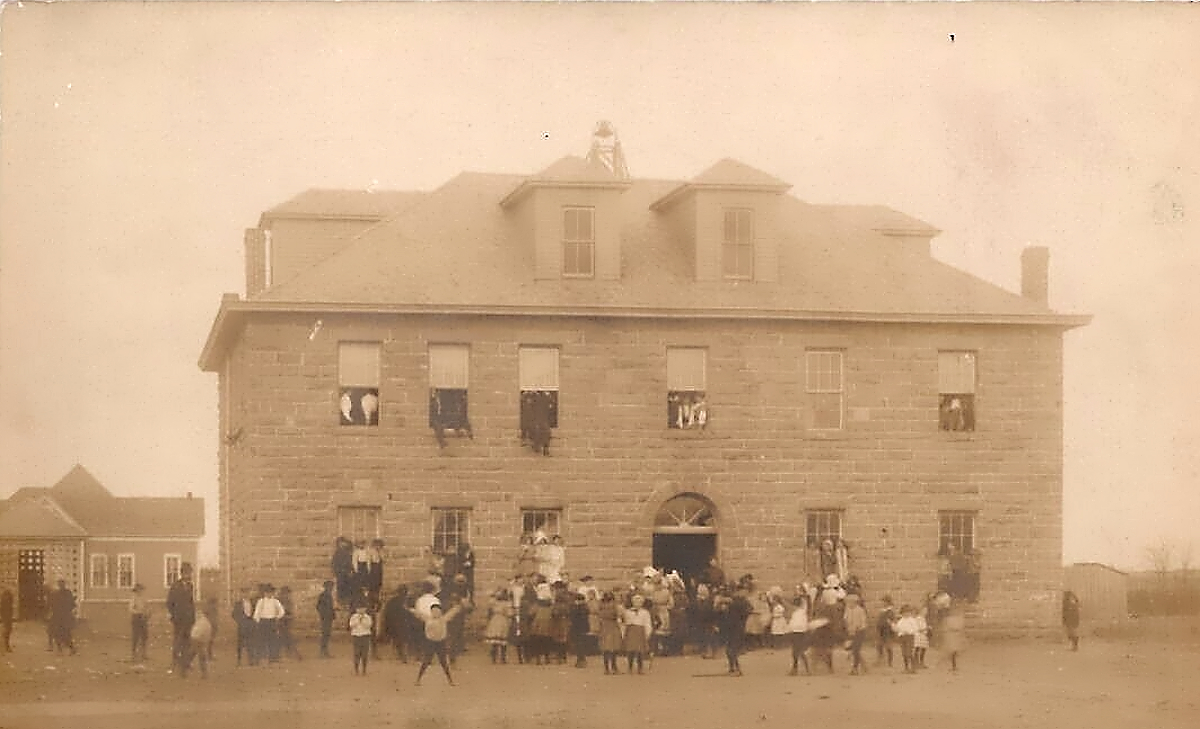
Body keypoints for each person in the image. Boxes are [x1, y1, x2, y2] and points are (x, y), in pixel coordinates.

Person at [410, 598, 467, 686]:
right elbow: (417, 613)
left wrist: (460, 605)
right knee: (426, 661)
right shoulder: (427, 619)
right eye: (433, 611)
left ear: (441, 612)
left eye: (437, 611)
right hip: (430, 643)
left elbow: (453, 611)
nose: (436, 613)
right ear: (431, 612)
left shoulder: (444, 619)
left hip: (440, 643)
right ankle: (418, 680)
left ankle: (450, 680)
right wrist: (409, 609)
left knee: (444, 662)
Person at [166, 563, 196, 672]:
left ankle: (185, 662)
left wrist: (193, 617)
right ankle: (175, 662)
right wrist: (174, 615)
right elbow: (169, 603)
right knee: (178, 641)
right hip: (178, 619)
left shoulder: (190, 586)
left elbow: (191, 602)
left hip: (189, 619)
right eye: (187, 573)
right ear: (182, 573)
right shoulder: (175, 586)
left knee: (187, 642)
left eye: (190, 573)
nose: (189, 575)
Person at [253, 584, 286, 662]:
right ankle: (261, 657)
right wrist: (258, 621)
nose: (269, 594)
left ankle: (273, 657)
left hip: (272, 622)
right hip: (263, 622)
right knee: (262, 640)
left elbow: (282, 611)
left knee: (273, 640)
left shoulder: (275, 601)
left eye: (271, 592)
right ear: (264, 593)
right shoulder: (261, 601)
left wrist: (277, 617)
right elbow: (256, 613)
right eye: (267, 592)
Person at [621, 593, 652, 675]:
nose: (637, 604)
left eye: (639, 602)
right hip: (631, 631)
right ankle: (630, 667)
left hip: (640, 632)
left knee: (640, 652)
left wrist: (647, 633)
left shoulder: (645, 612)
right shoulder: (627, 612)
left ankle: (640, 668)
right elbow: (624, 623)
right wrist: (624, 633)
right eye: (635, 602)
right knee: (630, 651)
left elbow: (647, 623)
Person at [47, 579, 78, 655]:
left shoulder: (55, 594)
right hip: (65, 616)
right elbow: (72, 604)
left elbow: (51, 605)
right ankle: (69, 648)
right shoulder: (68, 593)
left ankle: (61, 649)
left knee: (58, 632)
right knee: (65, 633)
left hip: (58, 616)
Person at [483, 588, 514, 664]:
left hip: (495, 620)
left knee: (496, 641)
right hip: (502, 620)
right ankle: (502, 658)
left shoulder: (494, 603)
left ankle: (495, 658)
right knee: (502, 640)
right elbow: (510, 614)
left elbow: (489, 611)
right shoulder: (506, 604)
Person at [596, 591, 623, 675]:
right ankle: (613, 667)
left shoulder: (601, 605)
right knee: (612, 648)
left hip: (606, 626)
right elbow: (618, 615)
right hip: (611, 626)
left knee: (606, 649)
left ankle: (607, 668)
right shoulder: (614, 605)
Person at [182, 610, 213, 678]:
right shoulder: (206, 623)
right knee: (201, 656)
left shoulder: (202, 621)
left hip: (196, 638)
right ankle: (204, 673)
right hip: (198, 640)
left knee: (192, 654)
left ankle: (184, 668)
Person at [843, 593, 868, 675]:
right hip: (851, 632)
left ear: (855, 602)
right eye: (848, 602)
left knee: (856, 650)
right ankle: (864, 665)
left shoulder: (860, 610)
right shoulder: (847, 609)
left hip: (859, 632)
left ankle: (855, 668)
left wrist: (857, 628)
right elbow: (845, 620)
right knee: (852, 650)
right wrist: (848, 628)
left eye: (850, 602)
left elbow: (863, 623)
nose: (848, 604)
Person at [787, 593, 810, 676]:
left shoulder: (801, 612)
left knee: (799, 652)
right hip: (795, 633)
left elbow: (800, 624)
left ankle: (806, 669)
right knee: (795, 652)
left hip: (799, 633)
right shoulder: (797, 613)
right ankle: (795, 669)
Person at [233, 587, 258, 666]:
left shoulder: (253, 603)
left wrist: (254, 621)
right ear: (241, 594)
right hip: (242, 625)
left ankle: (251, 660)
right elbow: (233, 614)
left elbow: (256, 612)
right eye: (244, 593)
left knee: (251, 643)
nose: (245, 594)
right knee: (240, 643)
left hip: (250, 624)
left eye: (247, 593)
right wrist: (240, 621)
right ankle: (239, 660)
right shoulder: (238, 603)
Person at [941, 599, 967, 671]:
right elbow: (947, 627)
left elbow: (961, 626)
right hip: (951, 637)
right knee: (952, 651)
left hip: (956, 637)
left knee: (955, 651)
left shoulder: (958, 618)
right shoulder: (948, 619)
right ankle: (953, 665)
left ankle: (954, 665)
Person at [349, 602, 373, 675]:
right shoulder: (353, 617)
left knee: (364, 654)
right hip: (356, 636)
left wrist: (362, 620)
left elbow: (368, 625)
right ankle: (356, 669)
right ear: (356, 609)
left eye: (362, 609)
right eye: (359, 609)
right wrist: (358, 620)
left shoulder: (368, 617)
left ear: (365, 609)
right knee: (357, 653)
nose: (361, 610)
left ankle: (364, 669)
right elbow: (351, 625)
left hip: (365, 636)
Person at [129, 584, 150, 662]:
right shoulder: (133, 598)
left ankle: (143, 653)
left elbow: (147, 606)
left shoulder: (144, 598)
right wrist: (138, 612)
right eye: (139, 590)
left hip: (143, 618)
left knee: (144, 636)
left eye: (141, 590)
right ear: (136, 591)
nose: (140, 591)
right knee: (135, 637)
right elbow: (131, 609)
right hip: (136, 618)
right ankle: (133, 654)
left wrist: (147, 613)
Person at [875, 595, 897, 667]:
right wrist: (878, 626)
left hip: (888, 631)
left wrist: (891, 623)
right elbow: (879, 620)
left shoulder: (890, 611)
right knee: (879, 645)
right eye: (882, 602)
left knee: (889, 647)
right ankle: (880, 659)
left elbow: (893, 621)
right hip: (881, 631)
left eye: (884, 602)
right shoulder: (881, 611)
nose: (882, 603)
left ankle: (890, 662)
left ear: (888, 602)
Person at [317, 580, 336, 658]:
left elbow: (330, 607)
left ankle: (325, 651)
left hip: (329, 618)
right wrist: (323, 614)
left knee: (327, 635)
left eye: (331, 587)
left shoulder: (329, 596)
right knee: (325, 635)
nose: (331, 588)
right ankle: (322, 652)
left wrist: (333, 613)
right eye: (330, 587)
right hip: (325, 618)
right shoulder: (323, 596)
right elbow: (318, 606)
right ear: (326, 587)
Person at [1, 588, 15, 653]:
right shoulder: (8, 602)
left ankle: (6, 645)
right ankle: (6, 645)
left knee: (6, 631)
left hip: (6, 617)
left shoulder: (3, 601)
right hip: (7, 617)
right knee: (7, 631)